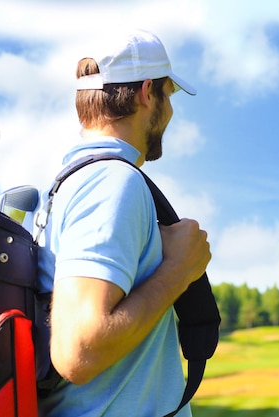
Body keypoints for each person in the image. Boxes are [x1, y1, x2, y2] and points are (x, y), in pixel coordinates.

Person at [35, 28, 211, 417]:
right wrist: (178, 271)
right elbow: (79, 350)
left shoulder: (65, 185)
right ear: (148, 92)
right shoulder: (111, 183)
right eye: (169, 95)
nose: (171, 111)